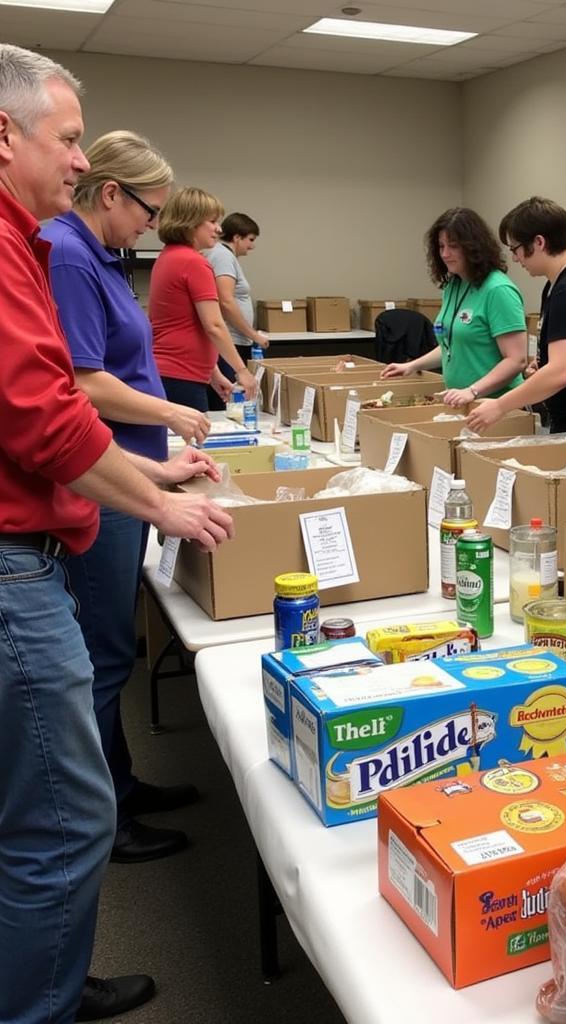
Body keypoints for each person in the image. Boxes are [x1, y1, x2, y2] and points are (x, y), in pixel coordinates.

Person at [0, 45, 233, 1023]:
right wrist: (163, 501)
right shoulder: (38, 248)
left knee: (46, 810)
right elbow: (49, 412)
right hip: (24, 558)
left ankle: (45, 976)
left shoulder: (35, 240)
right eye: (64, 142)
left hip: (52, 530)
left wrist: (151, 471)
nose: (76, 163)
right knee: (61, 818)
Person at [41, 129, 211, 866]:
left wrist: (159, 466)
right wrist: (170, 415)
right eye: (147, 208)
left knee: (109, 651)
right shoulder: (71, 255)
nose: (153, 222)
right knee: (105, 657)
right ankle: (105, 819)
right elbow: (84, 382)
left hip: (126, 473)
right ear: (110, 194)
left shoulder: (100, 255)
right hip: (102, 489)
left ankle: (122, 789)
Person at [465, 196, 566, 436]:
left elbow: (561, 372)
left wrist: (500, 406)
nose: (515, 258)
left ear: (539, 242)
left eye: (516, 249)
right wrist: (544, 365)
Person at [380, 207, 527, 406]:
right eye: (441, 246)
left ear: (473, 247)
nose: (445, 254)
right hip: (463, 403)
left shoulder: (498, 290)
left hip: (498, 405)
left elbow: (516, 360)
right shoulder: (454, 286)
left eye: (453, 246)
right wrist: (412, 366)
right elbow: (451, 345)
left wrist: (473, 391)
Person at [150, 186, 258, 411]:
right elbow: (214, 325)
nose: (219, 229)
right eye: (212, 221)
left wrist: (213, 373)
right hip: (182, 374)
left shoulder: (168, 256)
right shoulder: (193, 262)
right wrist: (242, 371)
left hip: (171, 372)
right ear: (190, 222)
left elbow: (187, 324)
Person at [205, 210, 268, 375]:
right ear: (237, 237)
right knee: (234, 395)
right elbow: (226, 301)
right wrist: (253, 335)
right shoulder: (223, 257)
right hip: (230, 341)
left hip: (235, 340)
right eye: (250, 240)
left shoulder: (224, 255)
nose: (252, 246)